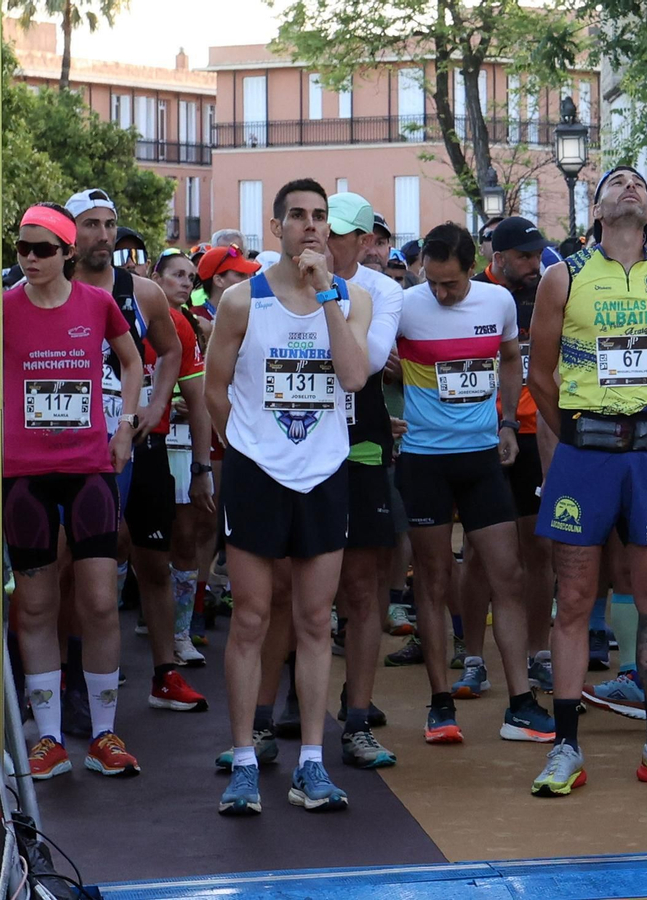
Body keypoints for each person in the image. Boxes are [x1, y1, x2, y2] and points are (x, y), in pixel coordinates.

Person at [527, 165, 647, 795]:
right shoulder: (563, 277)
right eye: (615, 181)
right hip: (586, 457)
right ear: (596, 210)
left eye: (638, 183)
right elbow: (540, 375)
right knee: (574, 598)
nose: (629, 186)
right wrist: (577, 433)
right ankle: (566, 747)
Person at [208, 178, 373, 815]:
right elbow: (215, 388)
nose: (311, 226)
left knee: (313, 620)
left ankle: (311, 761)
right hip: (258, 474)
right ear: (277, 227)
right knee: (250, 617)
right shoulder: (241, 302)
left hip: (325, 473)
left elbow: (355, 377)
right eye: (298, 216)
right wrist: (250, 445)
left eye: (320, 217)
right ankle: (245, 762)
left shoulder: (349, 296)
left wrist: (327, 293)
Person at [392, 222, 554, 745]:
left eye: (451, 284)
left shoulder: (497, 301)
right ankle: (441, 704)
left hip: (482, 458)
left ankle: (521, 703)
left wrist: (507, 421)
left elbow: (511, 359)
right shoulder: (404, 305)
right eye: (432, 283)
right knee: (434, 582)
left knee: (506, 575)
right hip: (423, 459)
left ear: (472, 269)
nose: (440, 294)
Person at [5, 202, 144, 780]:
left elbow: (134, 362)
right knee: (35, 604)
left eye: (41, 249)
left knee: (98, 601)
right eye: (22, 249)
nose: (30, 260)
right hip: (24, 472)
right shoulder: (2, 309)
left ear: (66, 251)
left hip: (89, 467)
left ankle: (106, 734)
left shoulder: (97, 302)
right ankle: (49, 739)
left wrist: (126, 425)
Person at [65, 189, 206, 716]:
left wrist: (156, 403)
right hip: (74, 448)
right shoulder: (53, 287)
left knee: (154, 558)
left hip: (137, 443)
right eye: (92, 225)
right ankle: (71, 678)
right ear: (69, 232)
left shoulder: (143, 292)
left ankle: (165, 672)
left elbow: (171, 350)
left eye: (110, 225)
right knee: (75, 565)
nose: (103, 236)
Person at [324, 193, 405, 768]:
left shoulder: (381, 291)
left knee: (360, 589)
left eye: (338, 234)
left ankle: (357, 716)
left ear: (365, 241)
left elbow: (367, 366)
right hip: (294, 449)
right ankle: (268, 718)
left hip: (361, 444)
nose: (322, 241)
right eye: (315, 228)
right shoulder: (268, 286)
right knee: (286, 592)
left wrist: (326, 302)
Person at [461, 216, 557, 698]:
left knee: (539, 548)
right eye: (524, 257)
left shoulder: (547, 294)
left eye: (537, 255)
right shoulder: (472, 293)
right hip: (482, 436)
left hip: (534, 434)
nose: (534, 264)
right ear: (496, 259)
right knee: (479, 552)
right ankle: (473, 658)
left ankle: (539, 653)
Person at [148, 251, 217, 677]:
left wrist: (201, 467)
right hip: (136, 444)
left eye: (190, 278)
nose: (184, 283)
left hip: (177, 444)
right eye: (176, 275)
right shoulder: (123, 314)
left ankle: (180, 634)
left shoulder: (185, 327)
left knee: (186, 539)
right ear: (156, 277)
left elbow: (200, 402)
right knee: (125, 544)